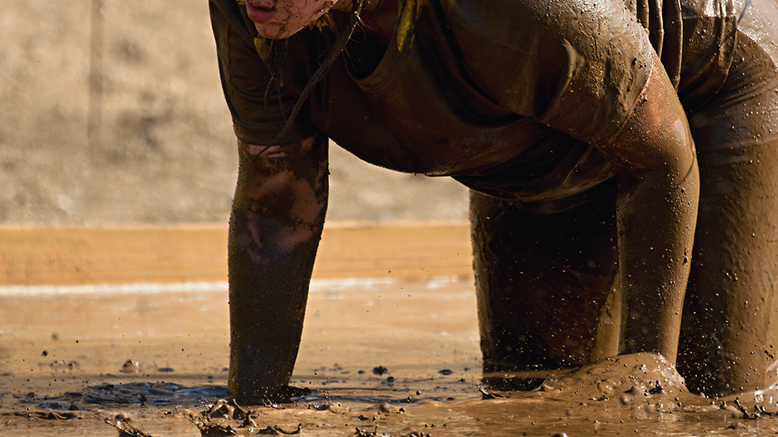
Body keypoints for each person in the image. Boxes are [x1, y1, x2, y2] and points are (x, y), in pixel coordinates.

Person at [209, 0, 778, 402]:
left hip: (718, 86)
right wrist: (253, 404)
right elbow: (277, 197)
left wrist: (649, 372)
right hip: (534, 153)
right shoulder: (255, 11)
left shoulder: (515, 9)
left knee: (717, 399)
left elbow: (661, 155)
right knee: (529, 402)